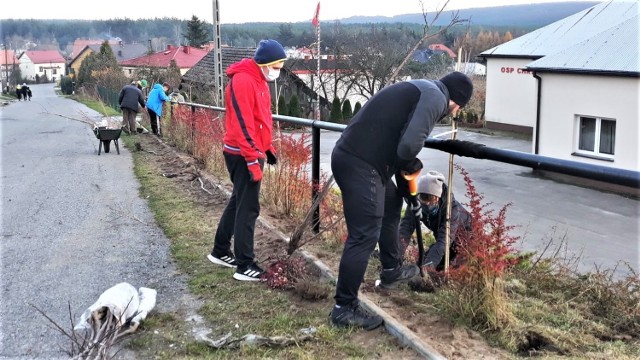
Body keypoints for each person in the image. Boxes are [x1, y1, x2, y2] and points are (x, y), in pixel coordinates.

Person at [329, 71, 473, 330]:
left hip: (363, 161)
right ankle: (344, 308)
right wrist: (412, 164)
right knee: (364, 235)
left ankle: (391, 270)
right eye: (459, 108)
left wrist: (409, 191)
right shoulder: (435, 99)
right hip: (360, 164)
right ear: (457, 101)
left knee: (393, 202)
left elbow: (398, 146)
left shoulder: (424, 89)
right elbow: (407, 149)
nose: (455, 112)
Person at [207, 39, 285, 281]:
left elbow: (259, 120)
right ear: (264, 63)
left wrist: (267, 147)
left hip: (249, 152)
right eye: (276, 65)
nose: (278, 71)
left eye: (281, 66)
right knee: (249, 208)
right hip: (241, 154)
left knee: (238, 202)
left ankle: (220, 250)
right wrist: (253, 158)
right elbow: (242, 124)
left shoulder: (259, 81)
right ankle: (245, 265)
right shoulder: (243, 81)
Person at [399, 170, 472, 272]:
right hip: (443, 238)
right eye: (424, 200)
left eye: (431, 200)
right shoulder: (415, 203)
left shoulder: (452, 210)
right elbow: (405, 230)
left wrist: (427, 269)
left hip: (466, 241)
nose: (428, 205)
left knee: (445, 272)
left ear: (438, 197)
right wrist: (395, 260)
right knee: (420, 266)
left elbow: (443, 242)